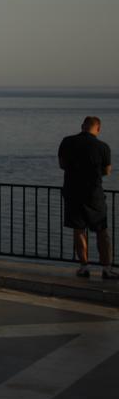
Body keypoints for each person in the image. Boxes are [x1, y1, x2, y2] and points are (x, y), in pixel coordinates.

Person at [58, 116, 114, 278]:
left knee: (79, 230)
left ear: (82, 126)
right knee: (102, 231)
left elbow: (62, 164)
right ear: (98, 129)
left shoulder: (67, 142)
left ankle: (84, 266)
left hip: (72, 192)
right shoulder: (103, 147)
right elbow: (107, 171)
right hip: (94, 193)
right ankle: (106, 268)